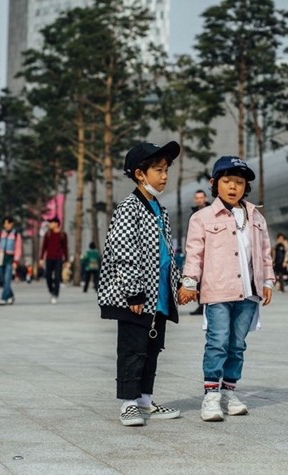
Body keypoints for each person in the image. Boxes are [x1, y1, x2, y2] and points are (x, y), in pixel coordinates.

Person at [180, 155, 275, 422]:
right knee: (218, 342)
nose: (233, 187)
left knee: (237, 345)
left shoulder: (256, 216)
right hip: (218, 290)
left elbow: (265, 252)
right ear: (214, 183)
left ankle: (229, 392)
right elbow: (194, 254)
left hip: (249, 292)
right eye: (227, 181)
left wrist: (268, 280)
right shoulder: (202, 217)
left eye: (239, 182)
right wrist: (189, 283)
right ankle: (211, 396)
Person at [97, 141, 182, 427]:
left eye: (166, 169)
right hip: (136, 297)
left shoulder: (159, 209)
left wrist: (176, 284)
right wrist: (134, 292)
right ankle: (128, 403)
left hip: (158, 295)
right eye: (158, 170)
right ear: (139, 174)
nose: (164, 175)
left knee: (152, 348)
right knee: (132, 349)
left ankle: (145, 399)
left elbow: (167, 253)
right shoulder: (129, 208)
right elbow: (124, 251)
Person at [189, 189, 211, 315]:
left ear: (205, 198)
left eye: (201, 198)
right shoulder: (193, 214)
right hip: (198, 250)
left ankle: (208, 304)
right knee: (198, 279)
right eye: (197, 198)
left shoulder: (212, 211)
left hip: (210, 251)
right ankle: (201, 305)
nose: (199, 200)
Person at [0, 216, 22, 306]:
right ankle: (10, 295)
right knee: (2, 279)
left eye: (8, 223)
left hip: (10, 258)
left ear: (12, 224)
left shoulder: (16, 235)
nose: (6, 225)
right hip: (0, 257)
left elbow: (18, 248)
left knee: (7, 278)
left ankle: (3, 298)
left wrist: (16, 260)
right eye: (5, 223)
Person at [39, 217, 68, 304]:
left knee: (57, 277)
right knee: (48, 276)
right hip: (49, 258)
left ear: (56, 224)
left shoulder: (63, 235)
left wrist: (66, 260)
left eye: (51, 223)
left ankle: (55, 294)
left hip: (58, 258)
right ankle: (52, 291)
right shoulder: (48, 234)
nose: (50, 224)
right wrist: (41, 258)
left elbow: (65, 248)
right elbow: (44, 247)